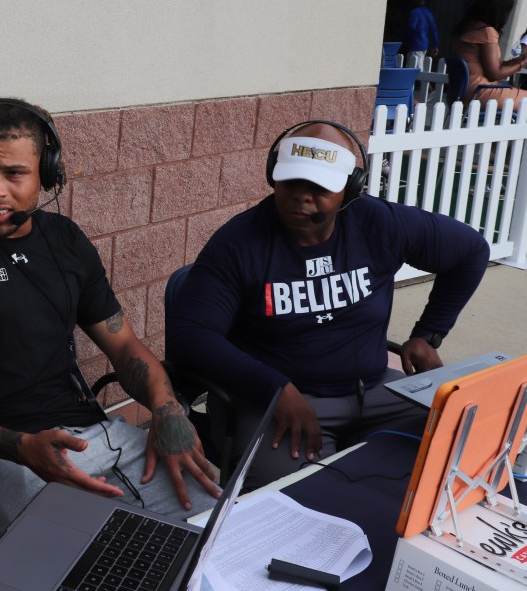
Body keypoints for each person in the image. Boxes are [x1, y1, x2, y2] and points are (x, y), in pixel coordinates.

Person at [0, 98, 221, 535]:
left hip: (91, 435)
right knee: (76, 556)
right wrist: (20, 447)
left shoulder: (66, 241)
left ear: (46, 173)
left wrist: (166, 408)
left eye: (14, 173)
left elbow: (123, 344)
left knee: (211, 517)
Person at [166, 120, 490, 489]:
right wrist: (275, 387)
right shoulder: (239, 243)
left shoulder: (379, 223)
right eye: (291, 183)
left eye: (319, 188)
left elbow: (470, 251)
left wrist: (428, 333)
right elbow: (190, 335)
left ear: (349, 190)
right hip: (284, 401)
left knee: (462, 448)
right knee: (291, 504)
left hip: (375, 388)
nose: (301, 197)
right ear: (274, 176)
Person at [451, 0, 527, 105]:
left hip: (461, 92)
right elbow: (494, 74)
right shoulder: (487, 32)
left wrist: (515, 62)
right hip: (481, 91)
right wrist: (521, 64)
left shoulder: (466, 28)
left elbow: (487, 66)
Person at [402, 0, 439, 71]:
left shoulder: (414, 12)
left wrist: (403, 36)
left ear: (416, 1)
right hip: (424, 44)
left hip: (415, 44)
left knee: (414, 69)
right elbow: (434, 30)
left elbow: (411, 27)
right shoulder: (428, 13)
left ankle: (426, 83)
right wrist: (435, 45)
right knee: (416, 66)